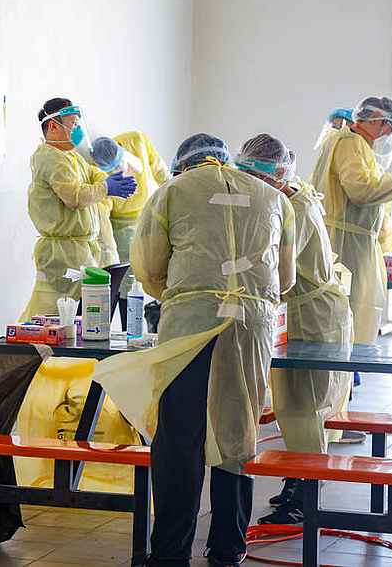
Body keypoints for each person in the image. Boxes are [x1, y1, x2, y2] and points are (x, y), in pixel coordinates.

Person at [94, 133, 295, 566]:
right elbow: (287, 279)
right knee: (237, 436)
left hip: (190, 326)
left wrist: (188, 297)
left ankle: (170, 554)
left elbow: (148, 266)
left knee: (180, 438)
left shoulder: (171, 191)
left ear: (182, 164)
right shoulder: (274, 197)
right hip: (250, 328)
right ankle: (227, 549)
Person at [234, 135, 354, 524]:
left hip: (315, 316)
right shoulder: (291, 194)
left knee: (305, 407)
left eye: (261, 178)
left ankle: (307, 495)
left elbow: (275, 270)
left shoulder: (293, 206)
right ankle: (297, 477)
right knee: (292, 404)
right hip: (302, 313)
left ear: (279, 174)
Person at [310, 96, 392, 346]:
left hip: (351, 243)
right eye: (391, 128)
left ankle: (346, 370)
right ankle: (343, 368)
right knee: (346, 310)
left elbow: (365, 189)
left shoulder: (354, 143)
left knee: (350, 310)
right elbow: (360, 190)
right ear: (377, 121)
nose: (389, 136)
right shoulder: (350, 142)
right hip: (345, 246)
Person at [21, 99, 136, 319]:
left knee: (76, 316)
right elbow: (74, 196)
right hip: (62, 255)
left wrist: (112, 179)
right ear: (53, 126)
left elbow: (92, 175)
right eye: (72, 124)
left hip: (78, 251)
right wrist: (106, 188)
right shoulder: (51, 158)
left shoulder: (71, 156)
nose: (78, 130)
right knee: (55, 315)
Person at [91, 134, 170, 307]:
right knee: (128, 282)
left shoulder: (137, 140)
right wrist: (108, 255)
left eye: (120, 163)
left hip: (151, 217)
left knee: (155, 272)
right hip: (123, 229)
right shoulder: (100, 176)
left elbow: (160, 170)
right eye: (113, 170)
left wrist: (175, 189)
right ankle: (128, 327)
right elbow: (103, 214)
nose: (120, 170)